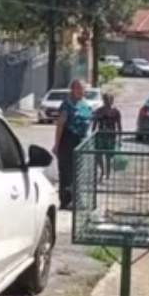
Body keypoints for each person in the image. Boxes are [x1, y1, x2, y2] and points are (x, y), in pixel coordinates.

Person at [52, 79, 93, 209]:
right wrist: (57, 144)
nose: (80, 91)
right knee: (66, 171)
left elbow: (88, 122)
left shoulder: (86, 105)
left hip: (81, 140)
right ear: (72, 89)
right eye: (77, 88)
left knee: (78, 171)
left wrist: (88, 139)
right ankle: (66, 200)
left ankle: (77, 199)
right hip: (68, 140)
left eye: (82, 88)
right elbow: (60, 125)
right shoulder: (67, 105)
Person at [91, 93, 123, 180]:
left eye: (108, 99)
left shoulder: (116, 111)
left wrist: (120, 138)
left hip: (111, 137)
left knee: (108, 157)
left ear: (111, 100)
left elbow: (119, 125)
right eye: (104, 99)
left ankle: (107, 175)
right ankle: (102, 170)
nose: (106, 101)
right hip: (100, 136)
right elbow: (94, 124)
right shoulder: (99, 111)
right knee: (98, 156)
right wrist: (92, 136)